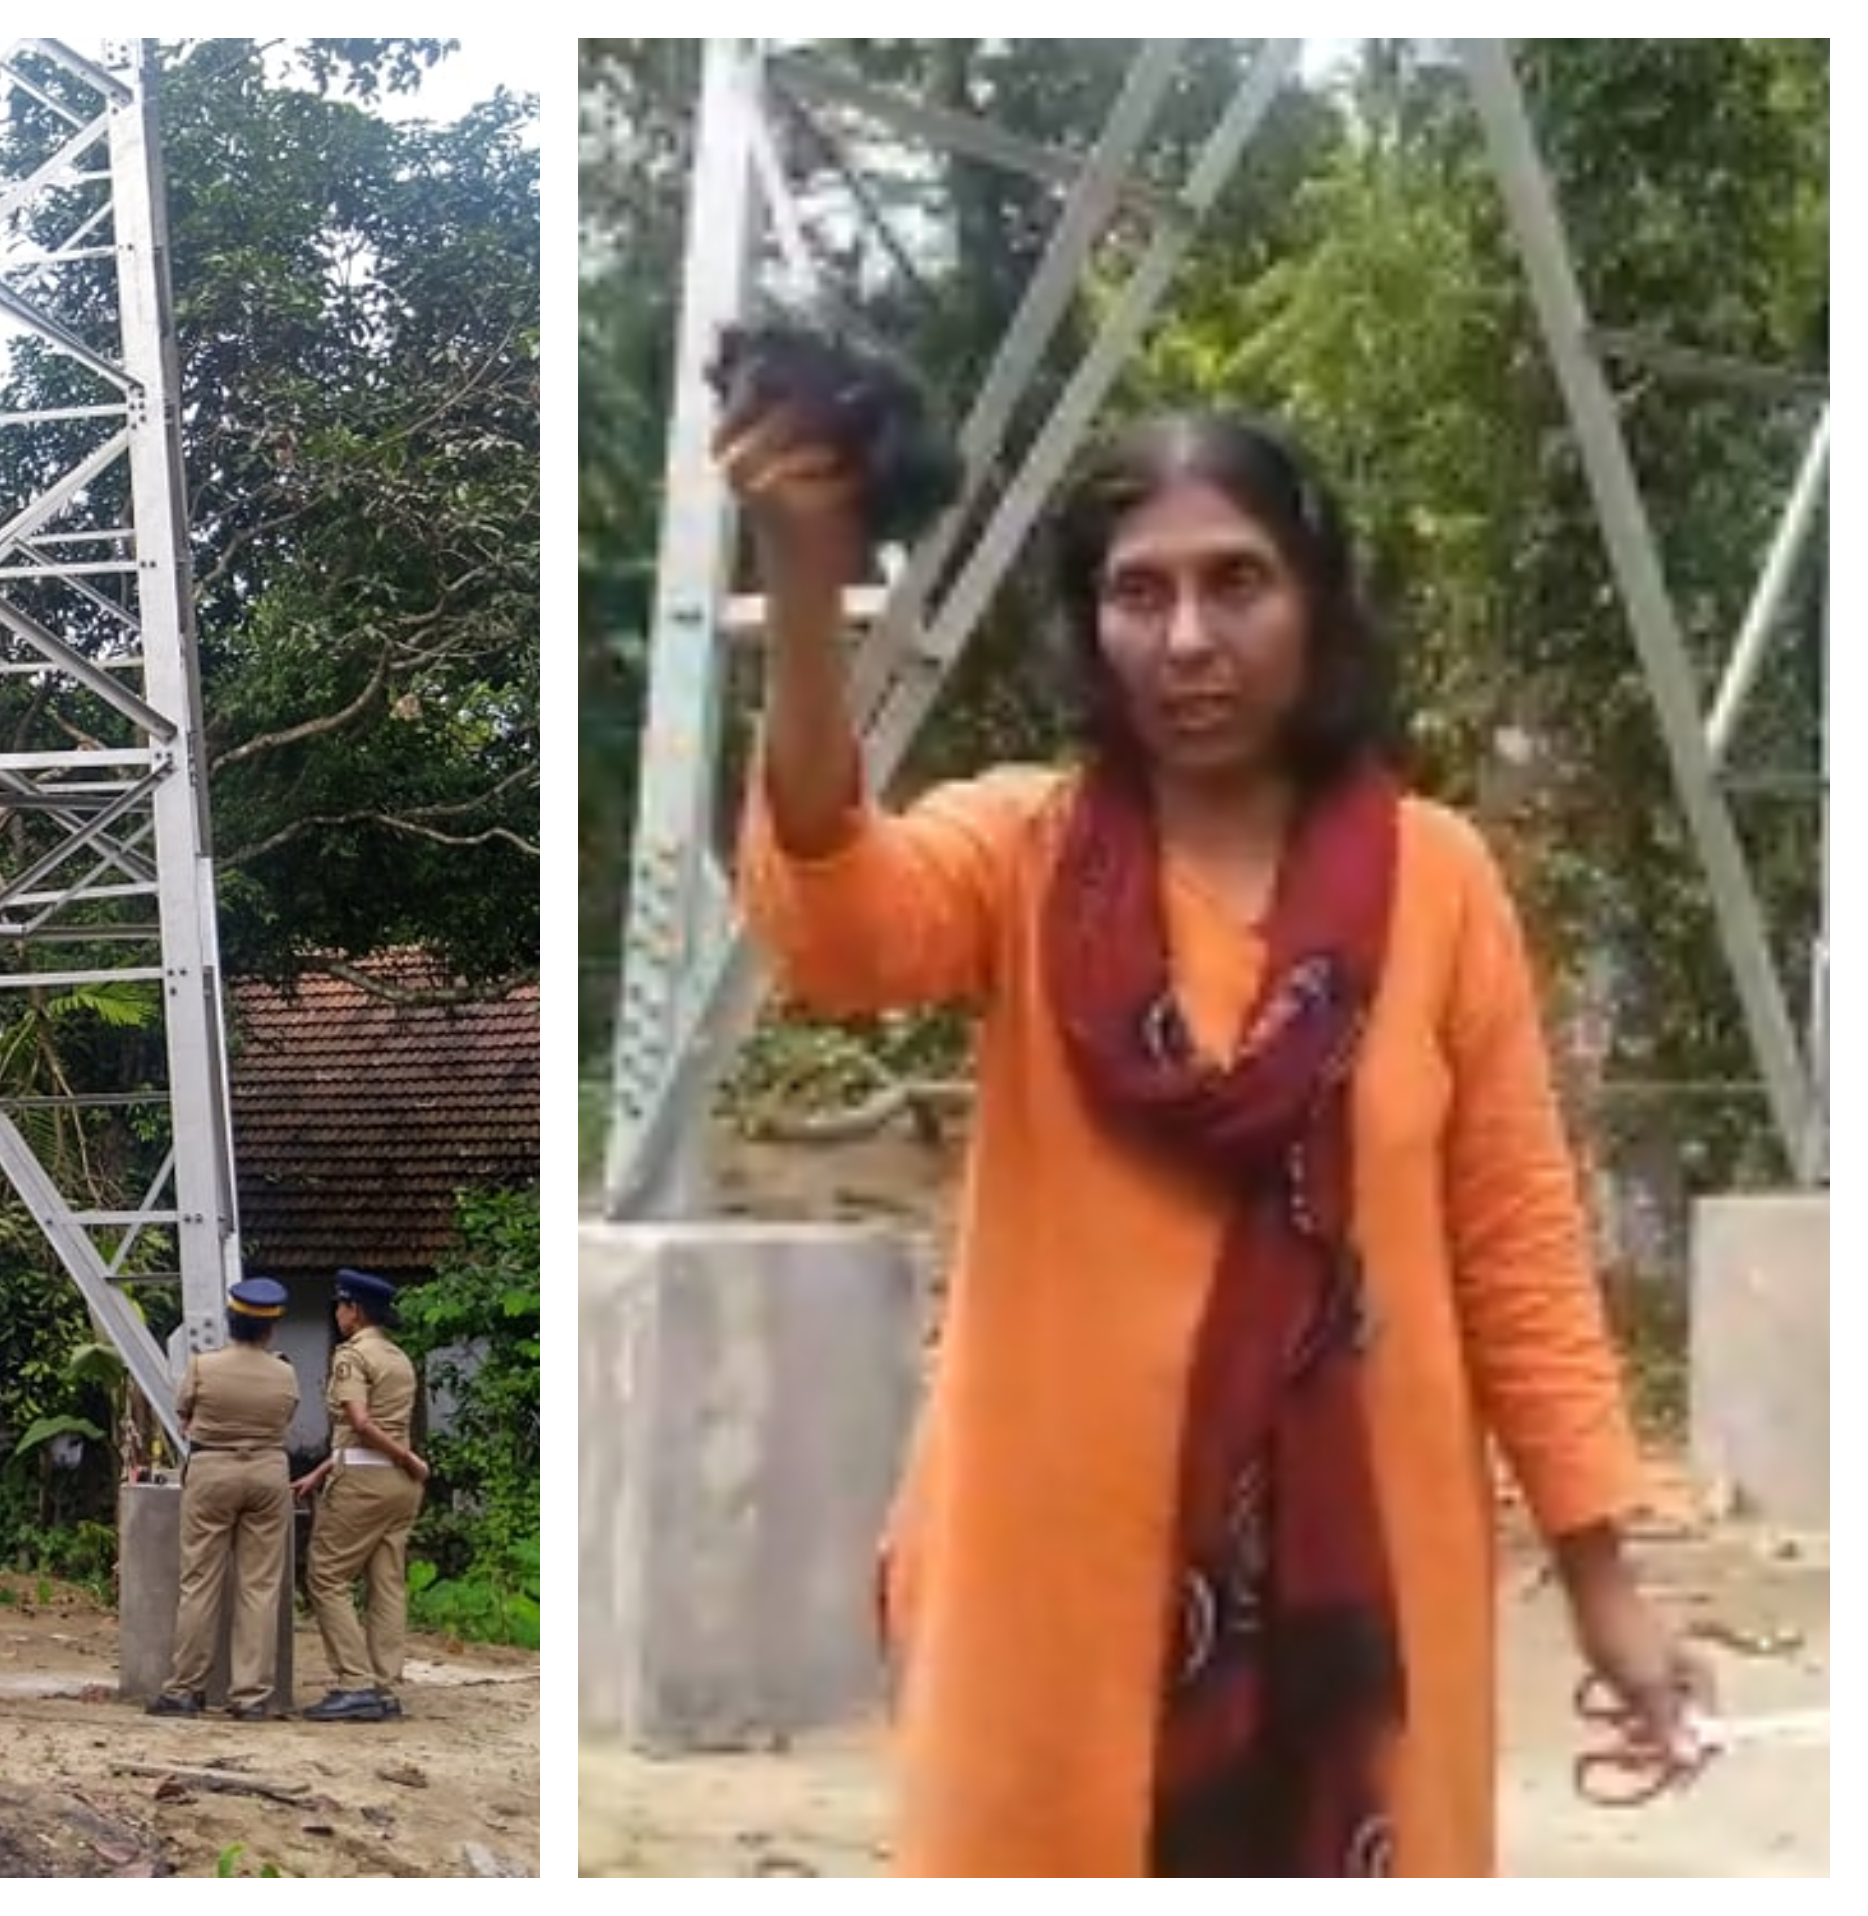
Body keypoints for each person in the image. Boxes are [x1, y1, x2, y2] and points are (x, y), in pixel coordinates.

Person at [722, 394, 1713, 1875]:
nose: (1188, 637)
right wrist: (806, 593)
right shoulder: (1024, 855)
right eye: (1141, 591)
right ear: (1094, 628)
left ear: (1315, 601)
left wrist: (1605, 1584)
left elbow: (1519, 1257)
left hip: (1366, 1602)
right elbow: (836, 926)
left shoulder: (1439, 888)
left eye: (1235, 580)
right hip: (1050, 1594)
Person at [144, 1276, 302, 1720]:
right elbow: (287, 1416)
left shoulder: (203, 1367)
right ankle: (251, 1696)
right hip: (269, 1473)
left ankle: (185, 1689)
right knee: (260, 1587)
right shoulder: (285, 1371)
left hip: (213, 1470)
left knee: (200, 1581)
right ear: (270, 1329)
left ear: (232, 1322)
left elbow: (184, 1417)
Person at [297, 1268, 428, 1722]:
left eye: (340, 1305)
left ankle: (354, 1683)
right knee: (387, 1584)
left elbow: (360, 1422)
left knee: (327, 1577)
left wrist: (409, 1458)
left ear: (354, 1310)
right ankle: (385, 1687)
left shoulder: (351, 1357)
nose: (337, 1313)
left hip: (364, 1485)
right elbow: (370, 1432)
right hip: (398, 1488)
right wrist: (322, 1468)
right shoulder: (398, 1357)